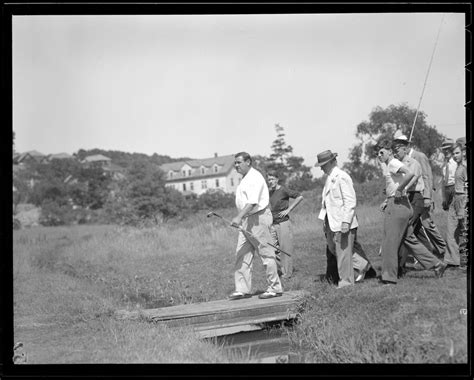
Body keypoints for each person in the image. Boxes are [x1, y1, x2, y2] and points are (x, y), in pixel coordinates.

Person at [376, 139, 447, 285]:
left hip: (397, 206)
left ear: (390, 151)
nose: (379, 154)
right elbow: (410, 176)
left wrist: (400, 190)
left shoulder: (393, 163)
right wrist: (391, 196)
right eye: (378, 152)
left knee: (389, 242)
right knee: (409, 240)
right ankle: (437, 264)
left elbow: (409, 173)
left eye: (382, 151)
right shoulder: (393, 164)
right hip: (403, 204)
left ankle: (389, 278)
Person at [228, 152, 283, 300]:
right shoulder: (245, 178)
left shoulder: (255, 177)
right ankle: (242, 289)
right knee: (242, 254)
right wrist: (242, 217)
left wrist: (238, 217)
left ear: (248, 162)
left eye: (239, 162)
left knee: (266, 253)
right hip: (247, 220)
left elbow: (252, 202)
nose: (236, 165)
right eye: (235, 162)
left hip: (259, 219)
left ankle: (275, 288)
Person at [393, 131, 447, 259]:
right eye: (396, 144)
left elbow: (427, 176)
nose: (397, 147)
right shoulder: (400, 159)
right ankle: (428, 252)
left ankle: (443, 250)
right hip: (410, 197)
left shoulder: (419, 156)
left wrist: (428, 197)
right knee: (417, 226)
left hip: (422, 195)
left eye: (399, 144)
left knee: (427, 224)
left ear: (406, 145)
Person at [315, 150, 361, 289]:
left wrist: (346, 222)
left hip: (342, 222)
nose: (321, 168)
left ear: (330, 162)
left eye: (323, 165)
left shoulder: (342, 176)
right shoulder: (330, 178)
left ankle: (346, 283)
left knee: (343, 255)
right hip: (332, 222)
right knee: (336, 250)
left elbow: (350, 201)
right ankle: (364, 266)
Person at [266, 171, 303, 279]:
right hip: (272, 224)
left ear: (277, 179)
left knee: (285, 249)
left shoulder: (283, 190)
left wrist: (289, 209)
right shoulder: (269, 192)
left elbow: (299, 196)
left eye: (272, 179)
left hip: (283, 223)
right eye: (269, 180)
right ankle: (282, 270)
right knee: (272, 249)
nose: (270, 181)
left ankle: (287, 274)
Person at [445, 143, 468, 268]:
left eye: (457, 153)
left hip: (462, 199)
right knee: (450, 230)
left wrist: (463, 206)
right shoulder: (457, 167)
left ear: (463, 152)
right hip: (455, 199)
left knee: (464, 231)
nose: (455, 156)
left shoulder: (465, 167)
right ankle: (452, 260)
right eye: (453, 153)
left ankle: (464, 261)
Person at [441, 138, 460, 267]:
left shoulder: (455, 163)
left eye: (449, 149)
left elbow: (452, 185)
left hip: (456, 196)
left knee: (452, 229)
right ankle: (450, 258)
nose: (446, 151)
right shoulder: (445, 164)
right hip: (450, 196)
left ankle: (454, 260)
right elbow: (445, 183)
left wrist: (448, 201)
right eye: (444, 149)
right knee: (453, 229)